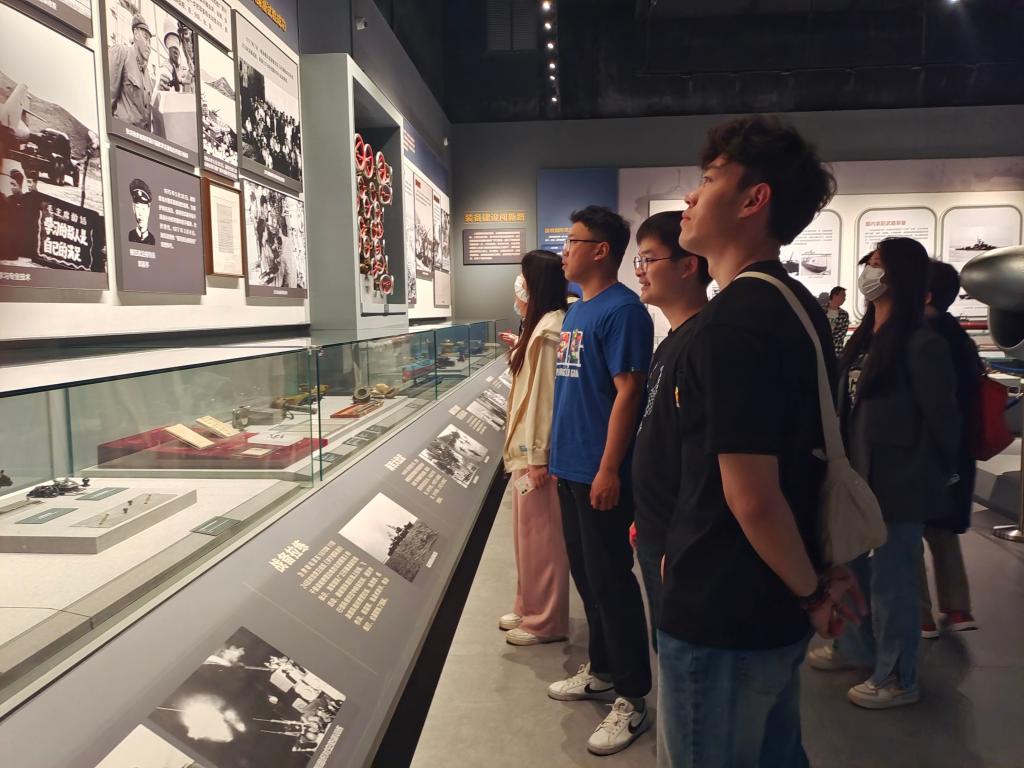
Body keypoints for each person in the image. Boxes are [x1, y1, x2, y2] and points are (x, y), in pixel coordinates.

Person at [658, 115, 865, 768]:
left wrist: (813, 594)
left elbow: (752, 496)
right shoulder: (796, 305)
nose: (691, 195)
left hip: (724, 611)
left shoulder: (730, 324)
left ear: (754, 199)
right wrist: (812, 581)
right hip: (769, 602)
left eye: (709, 179)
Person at [809, 239, 960, 710]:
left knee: (894, 582)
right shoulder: (865, 339)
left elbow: (943, 419)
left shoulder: (922, 343)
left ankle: (897, 676)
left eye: (876, 265)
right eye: (869, 264)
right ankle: (856, 648)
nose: (869, 273)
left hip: (901, 483)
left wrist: (940, 477)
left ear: (899, 275)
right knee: (850, 568)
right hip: (857, 479)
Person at [547, 205, 654, 756]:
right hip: (570, 466)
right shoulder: (578, 311)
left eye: (573, 241)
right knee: (588, 578)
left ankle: (633, 697)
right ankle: (604, 669)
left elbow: (629, 393)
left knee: (612, 581)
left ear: (601, 250)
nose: (564, 251)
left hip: (598, 471)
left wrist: (609, 468)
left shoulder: (624, 311)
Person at [629, 211, 710, 653]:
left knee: (683, 654)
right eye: (638, 261)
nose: (640, 271)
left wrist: (677, 542)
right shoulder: (671, 343)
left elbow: (705, 463)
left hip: (680, 544)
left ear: (687, 265)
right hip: (657, 529)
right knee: (666, 643)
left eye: (649, 259)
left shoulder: (703, 342)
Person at [500, 251, 571, 646]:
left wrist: (539, 456)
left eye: (523, 279)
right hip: (525, 451)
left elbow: (545, 399)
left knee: (542, 540)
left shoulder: (549, 330)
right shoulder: (539, 327)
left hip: (535, 455)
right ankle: (528, 605)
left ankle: (545, 620)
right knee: (526, 538)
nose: (518, 287)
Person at [919, 259, 983, 637]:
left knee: (906, 533)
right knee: (942, 530)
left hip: (920, 452)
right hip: (954, 450)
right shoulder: (959, 338)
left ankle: (920, 613)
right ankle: (958, 608)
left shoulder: (919, 340)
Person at [109, 14, 154, 130]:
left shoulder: (148, 76)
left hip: (140, 139)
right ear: (135, 34)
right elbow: (107, 99)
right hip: (121, 134)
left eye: (150, 42)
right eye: (146, 38)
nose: (149, 46)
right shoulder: (121, 53)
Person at [127, 178, 155, 245]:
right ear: (133, 208)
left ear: (148, 209)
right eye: (137, 207)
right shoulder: (130, 235)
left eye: (143, 208)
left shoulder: (152, 239)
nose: (140, 214)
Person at [827, 286, 850, 356]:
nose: (844, 299)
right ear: (835, 296)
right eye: (843, 296)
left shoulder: (844, 314)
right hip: (821, 349)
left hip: (836, 350)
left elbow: (842, 332)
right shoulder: (821, 311)